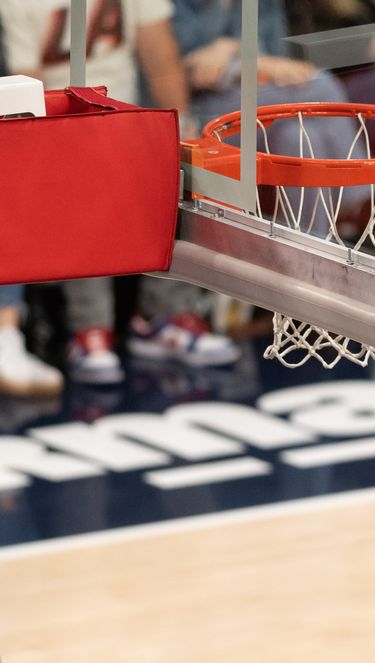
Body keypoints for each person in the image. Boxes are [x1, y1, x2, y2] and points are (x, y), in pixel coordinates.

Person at [0, 0, 241, 382]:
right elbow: (25, 87)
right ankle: (88, 330)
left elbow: (159, 57)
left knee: (176, 175)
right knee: (82, 192)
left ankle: (165, 317)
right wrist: (51, 143)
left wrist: (180, 135)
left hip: (123, 119)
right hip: (58, 126)